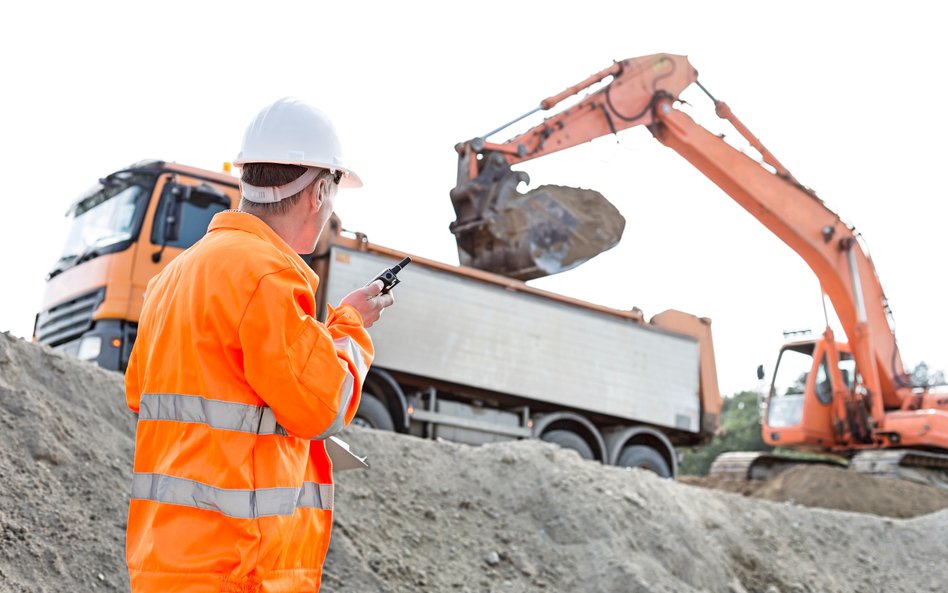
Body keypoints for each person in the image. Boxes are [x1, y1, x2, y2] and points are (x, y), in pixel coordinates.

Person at [124, 97, 394, 592]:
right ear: (318, 193)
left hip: (165, 562)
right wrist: (351, 324)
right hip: (236, 566)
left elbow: (147, 399)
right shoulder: (267, 274)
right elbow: (321, 406)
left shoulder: (173, 278)